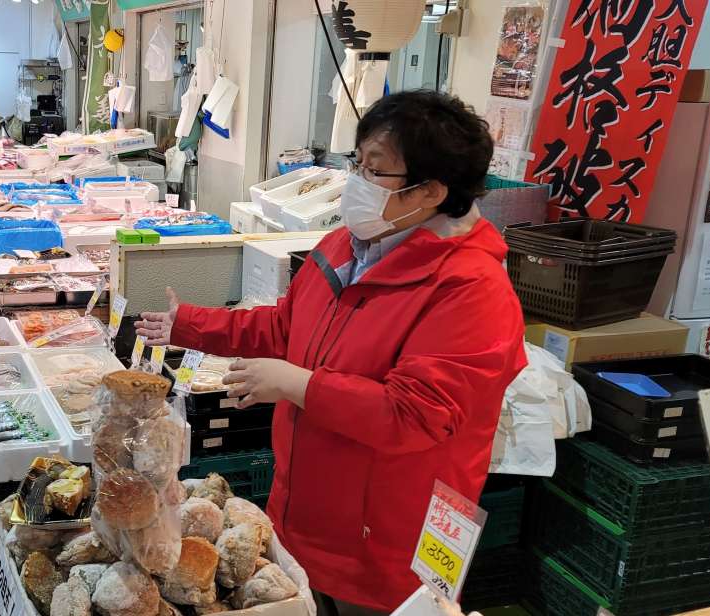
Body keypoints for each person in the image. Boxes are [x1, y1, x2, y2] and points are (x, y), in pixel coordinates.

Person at [136, 90, 527, 615]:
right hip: (305, 509)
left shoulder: (471, 289)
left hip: (388, 539)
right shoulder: (347, 246)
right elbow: (285, 326)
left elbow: (414, 415)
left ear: (431, 190)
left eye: (375, 171)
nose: (355, 183)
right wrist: (190, 324)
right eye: (356, 163)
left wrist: (297, 384)